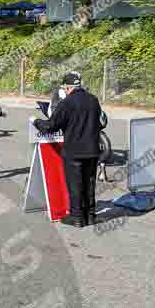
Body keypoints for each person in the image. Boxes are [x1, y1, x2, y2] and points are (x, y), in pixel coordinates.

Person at [33, 71, 103, 228]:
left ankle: (77, 217)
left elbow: (51, 126)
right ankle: (90, 215)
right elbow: (100, 121)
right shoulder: (93, 99)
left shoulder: (67, 102)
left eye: (65, 88)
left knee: (75, 184)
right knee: (90, 183)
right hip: (92, 149)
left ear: (68, 87)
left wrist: (36, 121)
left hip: (74, 150)